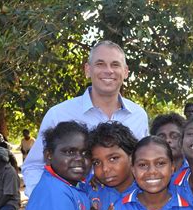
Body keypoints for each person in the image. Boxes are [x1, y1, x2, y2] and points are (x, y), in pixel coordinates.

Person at [22, 40, 149, 197]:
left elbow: (143, 163)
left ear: (125, 72)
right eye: (100, 64)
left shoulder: (138, 115)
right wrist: (47, 202)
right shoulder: (59, 114)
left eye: (115, 65)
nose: (108, 71)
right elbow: (34, 166)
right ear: (88, 70)